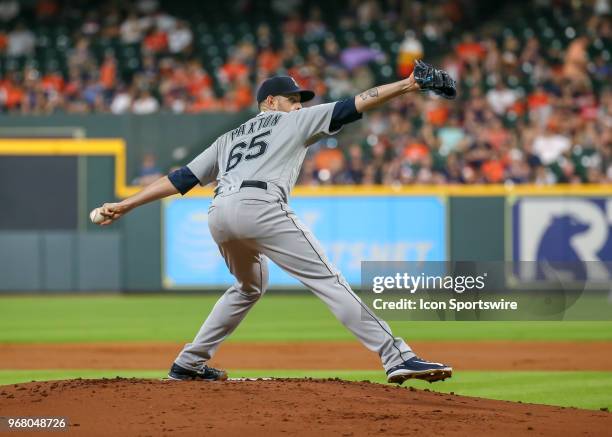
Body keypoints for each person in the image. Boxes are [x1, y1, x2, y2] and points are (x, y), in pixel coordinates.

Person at [94, 61, 456, 385]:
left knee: (248, 286)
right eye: (291, 98)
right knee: (328, 280)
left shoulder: (227, 138)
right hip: (261, 205)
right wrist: (407, 85)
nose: (298, 104)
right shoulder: (293, 121)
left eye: (299, 99)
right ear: (269, 102)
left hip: (219, 213)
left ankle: (189, 362)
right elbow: (357, 102)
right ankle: (397, 357)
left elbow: (183, 178)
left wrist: (126, 204)